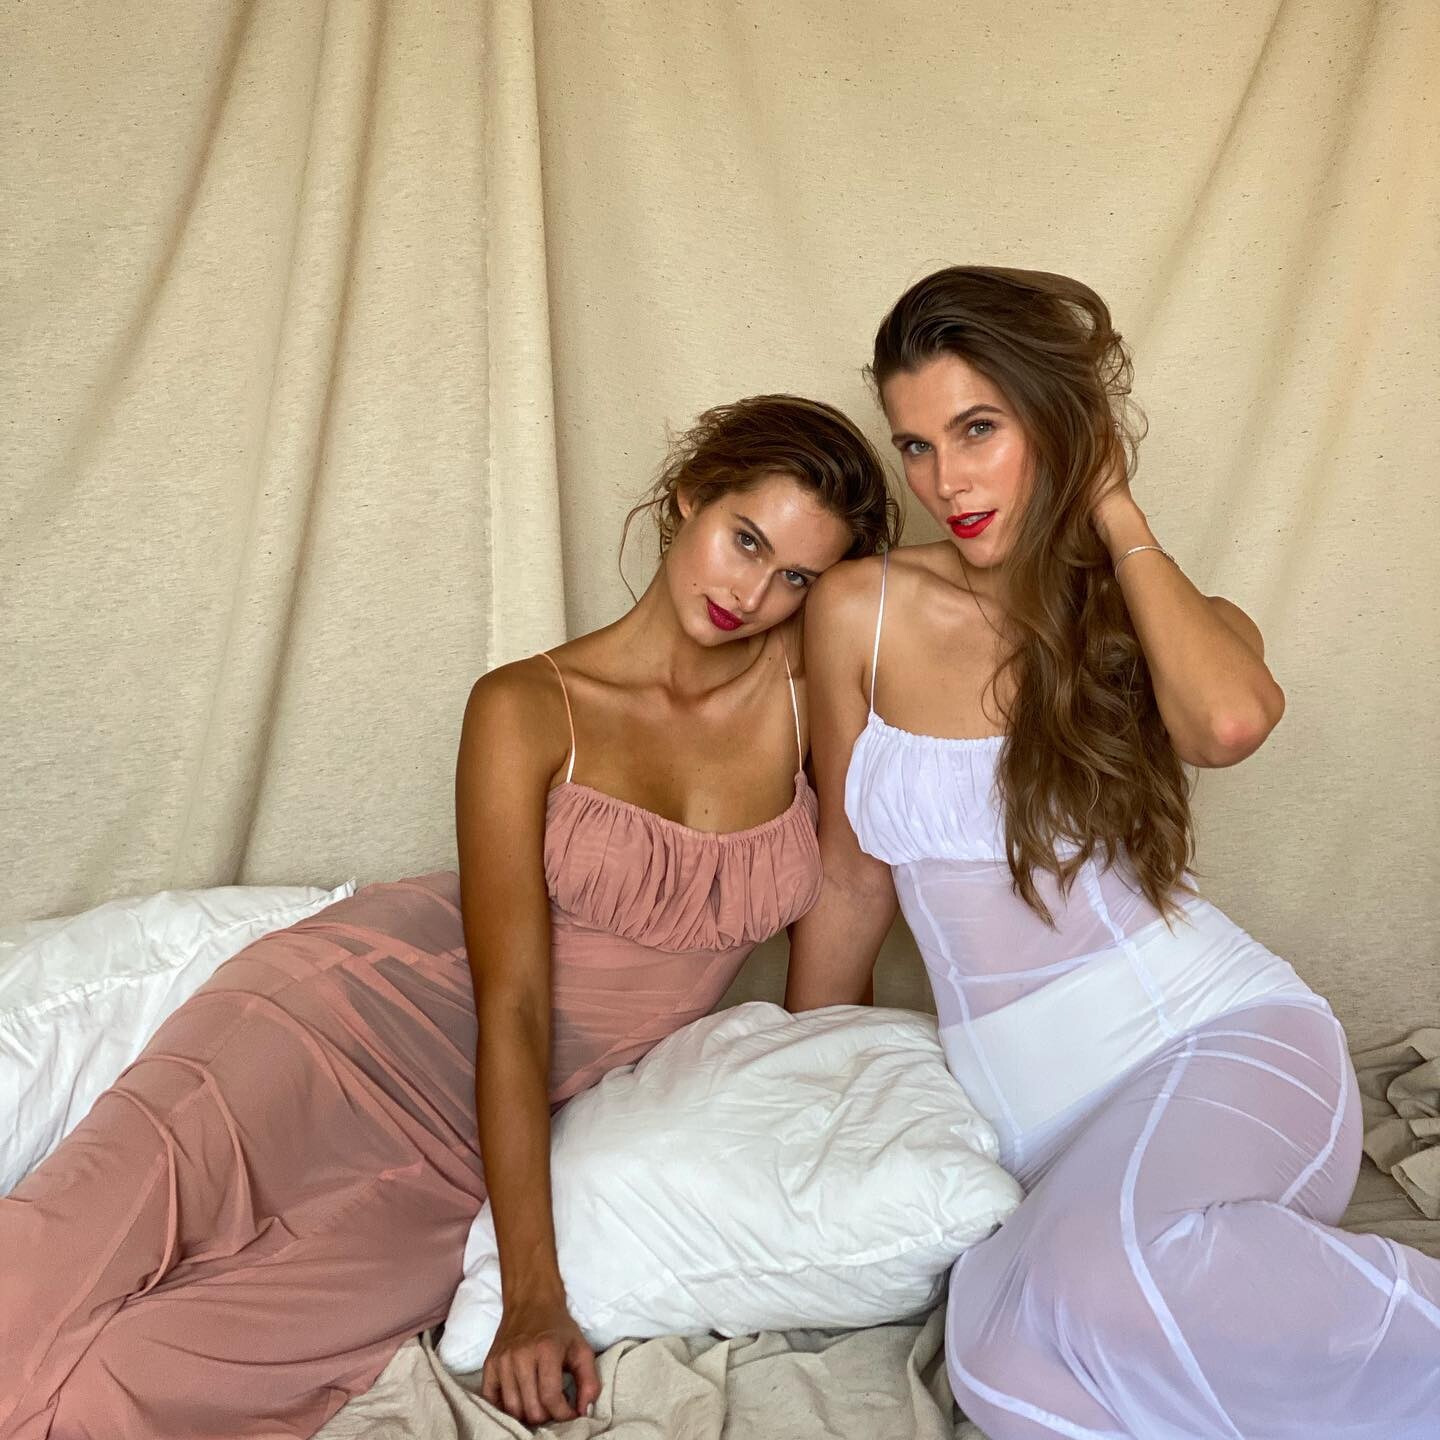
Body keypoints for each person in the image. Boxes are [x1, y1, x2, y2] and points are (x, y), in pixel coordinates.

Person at [0, 394, 897, 1440]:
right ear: (690, 498)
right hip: (330, 1027)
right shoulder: (526, 707)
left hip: (464, 1154)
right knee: (47, 1272)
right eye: (744, 539)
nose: (753, 591)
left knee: (150, 1384)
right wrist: (532, 1294)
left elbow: (845, 917)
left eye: (796, 576)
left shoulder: (806, 688)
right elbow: (512, 1005)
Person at [786, 266, 1440, 1439]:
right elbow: (848, 880)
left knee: (1099, 1282)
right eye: (917, 445)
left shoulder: (1152, 611)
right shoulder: (857, 611)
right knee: (998, 1369)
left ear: (1060, 423)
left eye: (979, 429)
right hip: (1044, 1135)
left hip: (1219, 1045)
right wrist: (807, 1089)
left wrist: (1115, 512)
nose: (945, 480)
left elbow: (1228, 723)